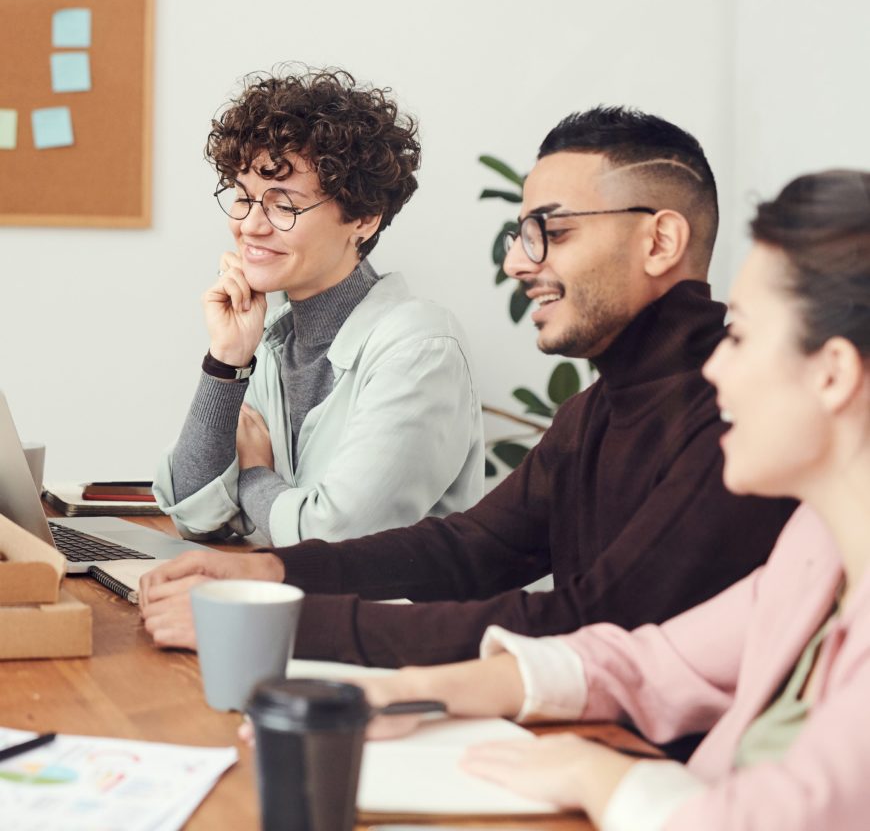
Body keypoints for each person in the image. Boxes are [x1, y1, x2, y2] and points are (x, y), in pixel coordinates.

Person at [141, 106, 795, 664]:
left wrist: (268, 621)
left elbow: (591, 626)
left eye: (554, 232)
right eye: (522, 233)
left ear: (660, 242)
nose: (516, 261)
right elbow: (470, 549)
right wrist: (268, 570)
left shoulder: (737, 417)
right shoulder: (594, 409)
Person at [355, 169, 870, 830]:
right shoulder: (816, 547)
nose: (714, 367)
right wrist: (416, 690)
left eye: (738, 336)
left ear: (832, 374)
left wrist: (598, 774)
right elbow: (647, 663)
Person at [153, 66, 484, 548]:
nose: (251, 225)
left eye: (283, 204)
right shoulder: (273, 340)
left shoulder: (421, 348)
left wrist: (252, 474)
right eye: (244, 198)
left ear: (364, 219)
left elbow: (334, 540)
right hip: (284, 608)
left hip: (384, 620)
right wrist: (227, 361)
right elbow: (192, 511)